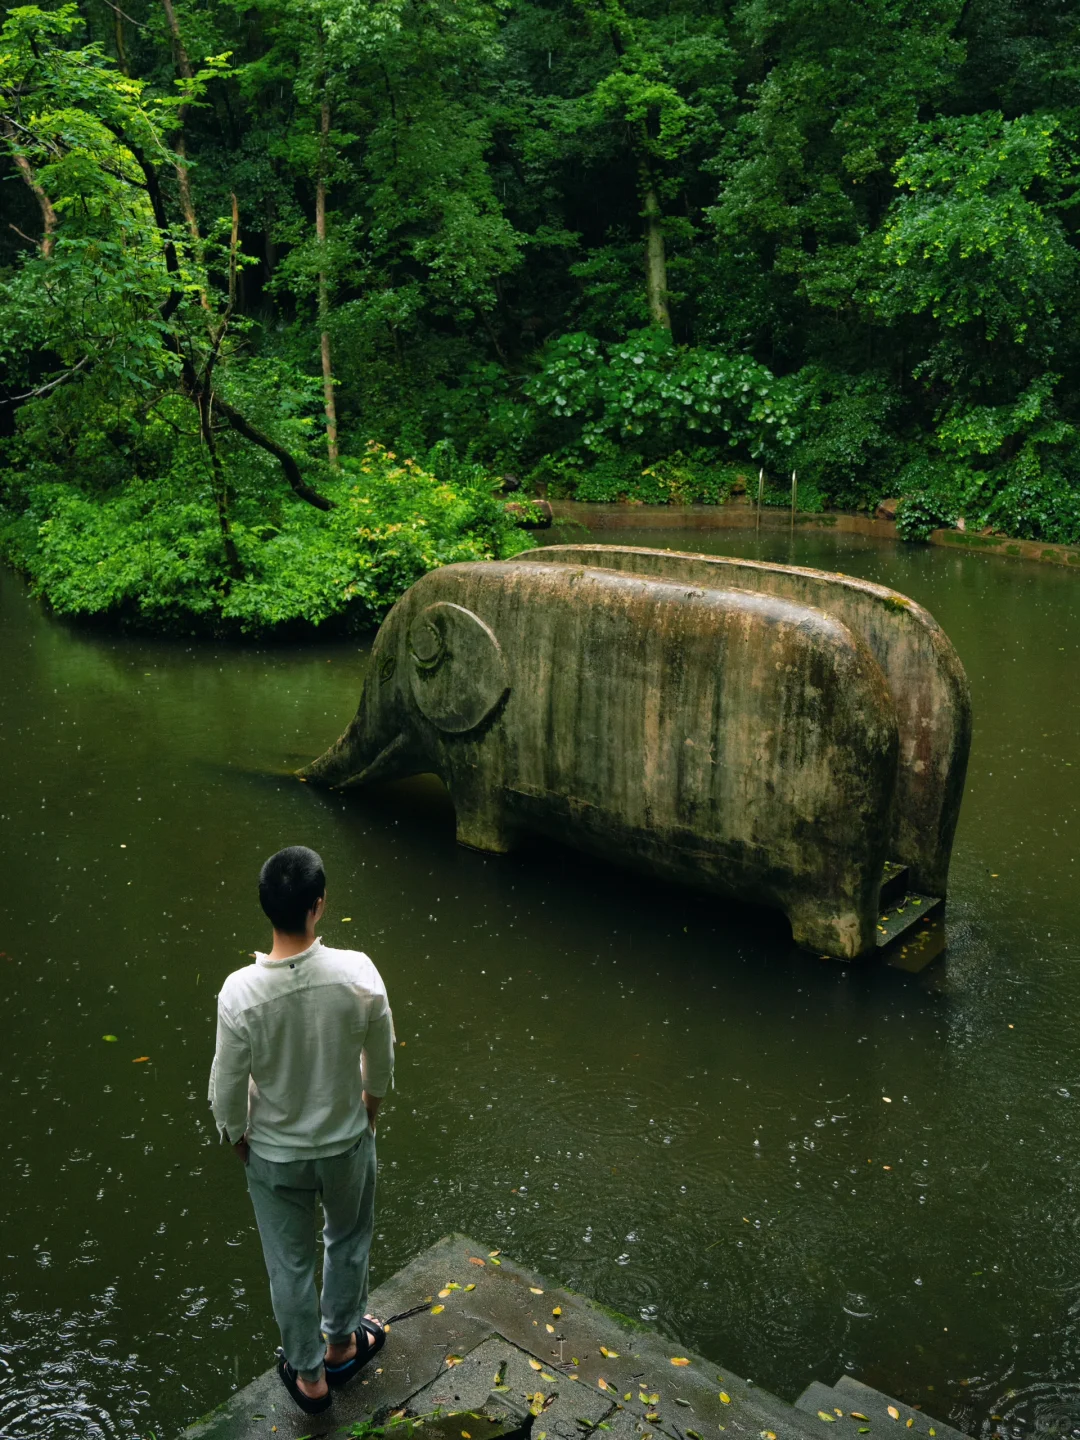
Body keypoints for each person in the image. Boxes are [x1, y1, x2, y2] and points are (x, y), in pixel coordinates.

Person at [208, 845, 395, 1415]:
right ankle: (342, 1343)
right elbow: (381, 1063)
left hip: (274, 1155)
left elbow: (226, 1085)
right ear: (318, 906)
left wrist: (235, 1133)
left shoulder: (240, 992)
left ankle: (310, 1377)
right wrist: (368, 1110)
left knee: (288, 1264)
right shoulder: (358, 973)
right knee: (347, 1239)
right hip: (344, 1142)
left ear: (267, 908)